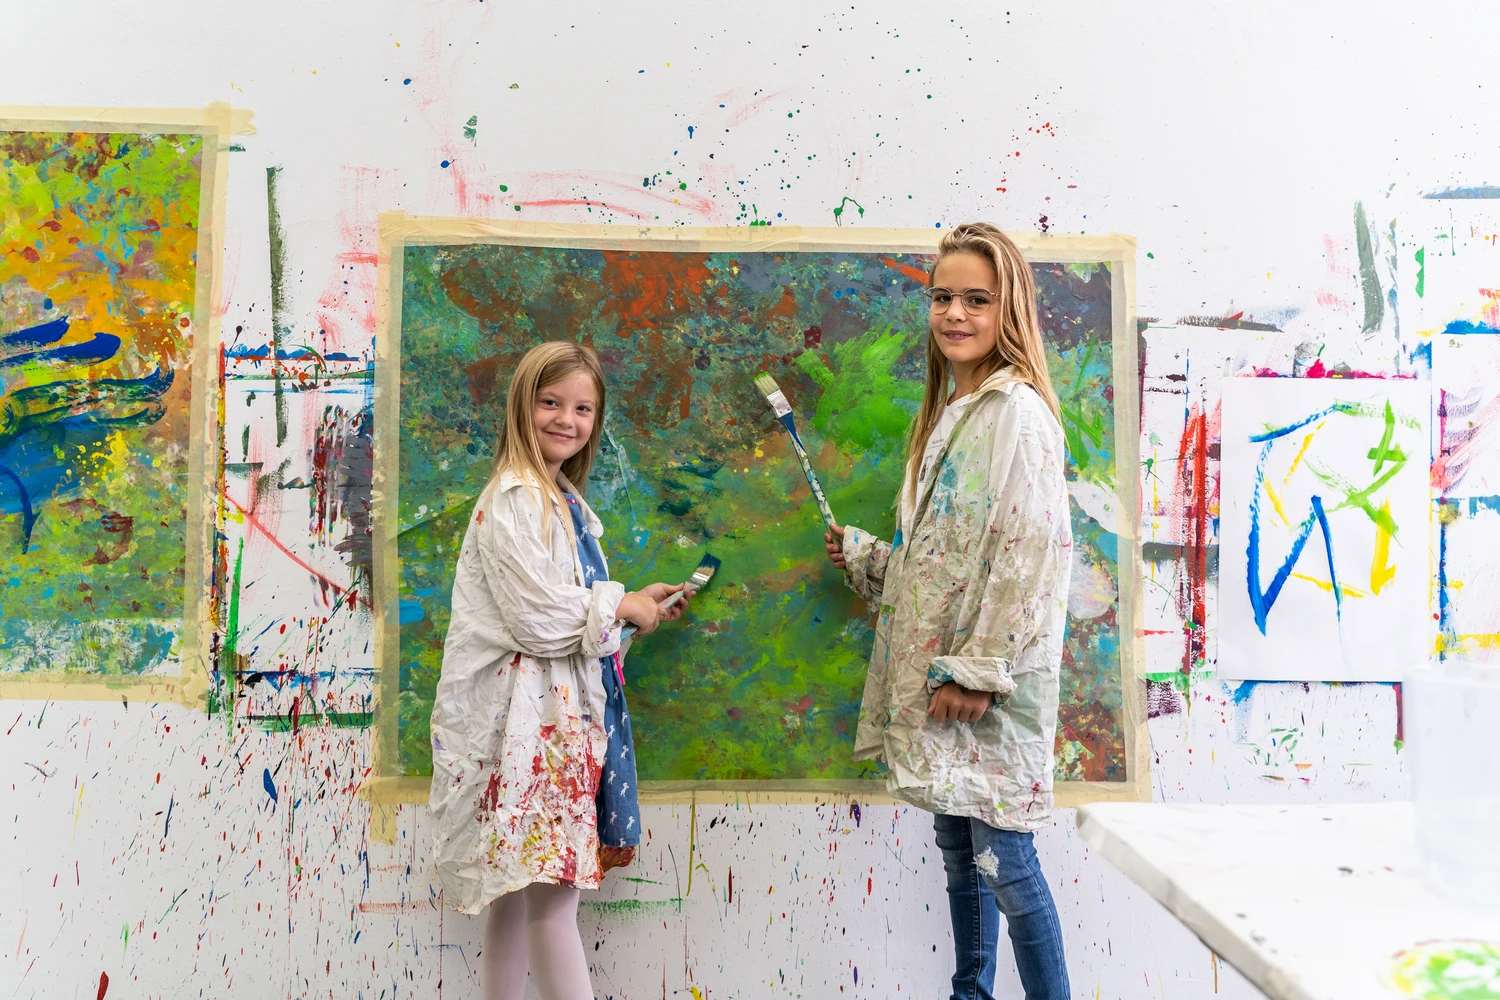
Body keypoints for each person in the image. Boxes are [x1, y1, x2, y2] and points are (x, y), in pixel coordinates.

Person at [824, 223, 1073, 1000]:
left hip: (987, 684)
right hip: (946, 676)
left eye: (976, 299)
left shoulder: (1016, 413)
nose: (955, 314)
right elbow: (952, 554)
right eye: (942, 297)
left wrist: (978, 671)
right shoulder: (952, 412)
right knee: (960, 852)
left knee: (1006, 863)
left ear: (1009, 309)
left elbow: (1028, 552)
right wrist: (872, 560)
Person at [429, 340, 687, 1000]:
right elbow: (538, 619)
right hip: (528, 732)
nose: (566, 420)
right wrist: (618, 604)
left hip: (544, 725)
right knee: (553, 896)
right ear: (523, 404)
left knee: (520, 895)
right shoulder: (518, 497)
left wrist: (634, 608)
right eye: (550, 402)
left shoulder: (556, 498)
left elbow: (566, 618)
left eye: (582, 408)